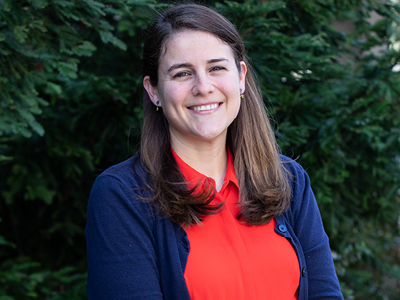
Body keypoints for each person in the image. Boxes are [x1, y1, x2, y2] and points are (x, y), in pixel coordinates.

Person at [85, 3, 344, 300]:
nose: (203, 87)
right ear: (154, 90)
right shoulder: (121, 196)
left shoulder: (289, 181)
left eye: (216, 68)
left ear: (241, 77)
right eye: (182, 74)